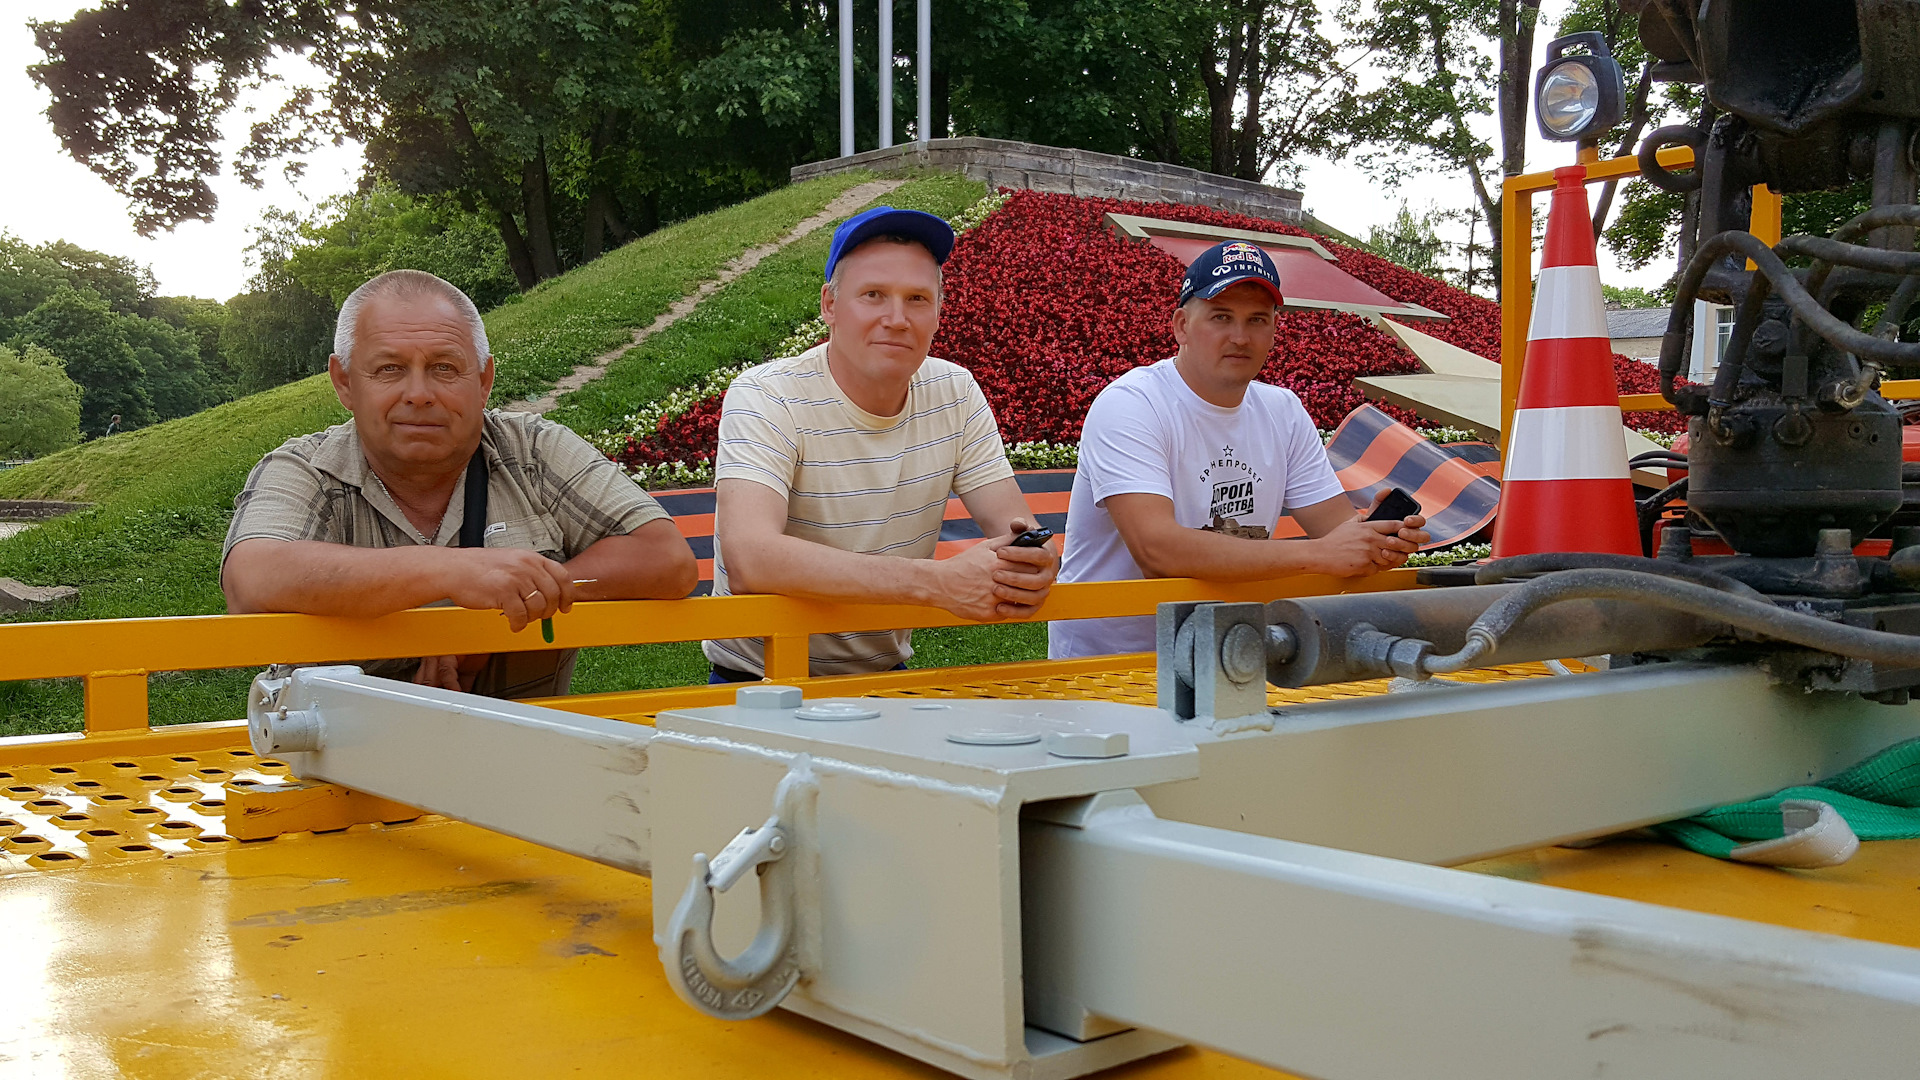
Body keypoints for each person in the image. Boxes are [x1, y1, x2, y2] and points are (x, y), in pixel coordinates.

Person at [221, 269, 697, 697]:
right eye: (389, 369)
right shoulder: (305, 467)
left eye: (444, 368)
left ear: (484, 380)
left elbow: (666, 559)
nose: (420, 394)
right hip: (331, 764)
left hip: (521, 755)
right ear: (344, 382)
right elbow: (252, 578)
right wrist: (454, 575)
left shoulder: (533, 450)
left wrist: (510, 602)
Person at [705, 206, 1058, 681]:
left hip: (883, 675)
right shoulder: (767, 394)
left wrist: (1031, 561)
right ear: (829, 304)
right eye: (874, 295)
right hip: (762, 680)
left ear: (938, 312)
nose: (897, 318)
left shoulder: (953, 391)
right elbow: (751, 559)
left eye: (917, 298)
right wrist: (936, 584)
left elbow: (1017, 524)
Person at [1048, 240, 1430, 660]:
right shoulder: (1131, 404)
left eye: (1257, 320)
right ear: (1181, 326)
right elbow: (1158, 551)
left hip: (1229, 650)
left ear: (1272, 332)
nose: (1239, 337)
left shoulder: (1282, 410)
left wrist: (1373, 540)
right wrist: (1319, 554)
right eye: (1221, 316)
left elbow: (1335, 529)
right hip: (1111, 660)